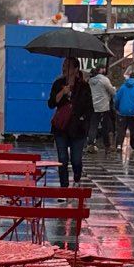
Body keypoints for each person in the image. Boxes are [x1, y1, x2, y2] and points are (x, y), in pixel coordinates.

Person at [48, 55, 93, 187]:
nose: (64, 69)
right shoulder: (58, 83)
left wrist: (84, 120)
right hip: (61, 128)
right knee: (62, 159)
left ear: (75, 68)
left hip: (78, 128)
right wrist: (63, 92)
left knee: (76, 159)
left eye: (67, 66)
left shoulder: (83, 86)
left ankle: (77, 177)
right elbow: (51, 103)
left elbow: (89, 107)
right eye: (63, 66)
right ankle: (64, 186)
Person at [114, 67, 134, 155]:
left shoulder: (123, 87)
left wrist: (117, 108)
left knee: (121, 130)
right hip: (133, 112)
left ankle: (119, 145)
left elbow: (117, 98)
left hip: (122, 112)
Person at [88, 67, 116, 152]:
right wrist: (114, 89)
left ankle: (90, 144)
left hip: (93, 106)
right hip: (104, 106)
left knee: (93, 126)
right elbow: (112, 91)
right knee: (105, 127)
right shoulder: (104, 80)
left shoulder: (90, 81)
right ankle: (107, 146)